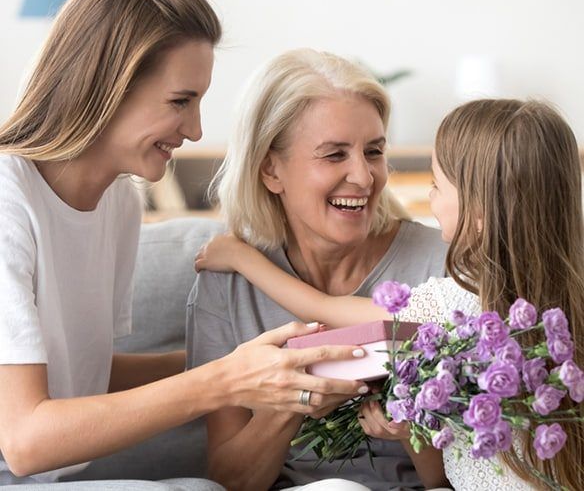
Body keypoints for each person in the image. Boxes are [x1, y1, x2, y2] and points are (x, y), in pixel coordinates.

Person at [0, 0, 372, 488]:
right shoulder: (7, 202)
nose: (195, 129)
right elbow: (24, 441)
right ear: (106, 86)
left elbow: (81, 375)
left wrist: (259, 361)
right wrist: (223, 380)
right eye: (180, 101)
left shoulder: (117, 203)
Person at [197, 99, 584, 490]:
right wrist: (409, 428)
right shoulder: (571, 308)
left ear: (479, 212)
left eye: (436, 186)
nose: (429, 200)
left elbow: (322, 307)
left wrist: (242, 258)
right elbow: (440, 478)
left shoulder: (452, 307)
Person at [186, 48, 449, 491]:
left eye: (373, 151)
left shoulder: (440, 267)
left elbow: (474, 471)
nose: (364, 178)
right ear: (271, 169)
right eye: (334, 155)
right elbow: (228, 480)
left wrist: (414, 427)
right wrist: (293, 400)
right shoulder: (227, 285)